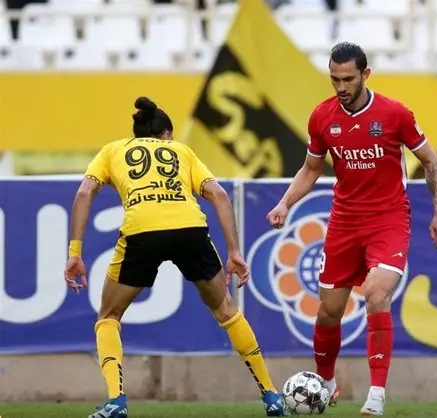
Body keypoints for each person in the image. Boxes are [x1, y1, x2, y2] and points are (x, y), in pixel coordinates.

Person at [64, 97, 286, 418]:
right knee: (226, 311)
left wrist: (75, 253)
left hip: (142, 231)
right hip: (190, 229)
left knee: (109, 316)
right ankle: (271, 395)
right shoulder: (182, 151)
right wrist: (234, 252)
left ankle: (116, 402)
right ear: (167, 134)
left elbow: (85, 192)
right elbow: (219, 194)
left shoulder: (112, 150)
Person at [267, 42, 437, 416]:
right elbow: (311, 168)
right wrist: (285, 202)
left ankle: (376, 396)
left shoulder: (395, 113)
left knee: (376, 294)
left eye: (348, 79)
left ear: (365, 74)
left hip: (388, 220)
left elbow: (430, 161)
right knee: (328, 312)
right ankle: (326, 384)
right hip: (344, 223)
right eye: (334, 79)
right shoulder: (322, 117)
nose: (341, 87)